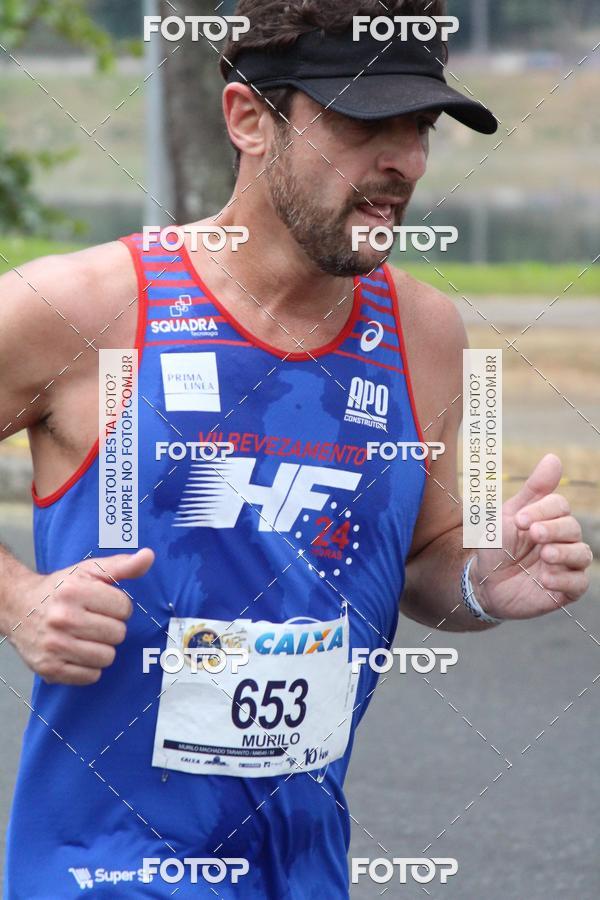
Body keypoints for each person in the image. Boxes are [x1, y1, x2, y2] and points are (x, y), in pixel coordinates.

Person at [0, 0, 592, 896]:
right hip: (103, 870)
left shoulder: (428, 334)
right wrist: (20, 601)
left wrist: (483, 579)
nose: (402, 163)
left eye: (419, 125)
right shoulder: (80, 307)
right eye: (361, 124)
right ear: (248, 119)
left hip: (304, 867)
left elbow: (431, 555)